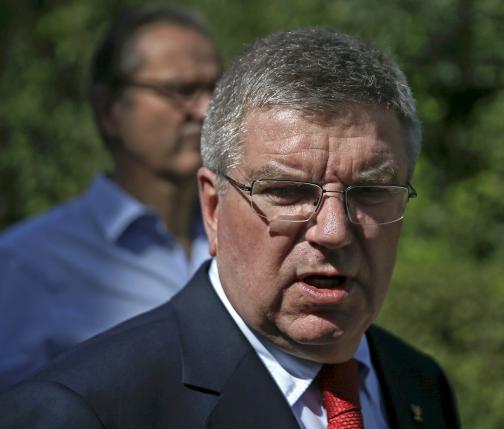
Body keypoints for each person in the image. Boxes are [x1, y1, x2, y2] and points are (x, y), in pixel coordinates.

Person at [0, 28, 460, 428]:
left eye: (370, 191)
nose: (334, 230)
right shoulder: (82, 411)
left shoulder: (417, 383)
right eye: (288, 192)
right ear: (214, 207)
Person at [0, 5, 222, 389]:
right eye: (180, 91)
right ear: (109, 110)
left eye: (216, 90)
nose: (205, 110)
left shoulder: (246, 239)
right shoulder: (27, 265)